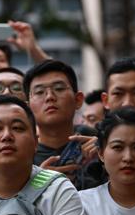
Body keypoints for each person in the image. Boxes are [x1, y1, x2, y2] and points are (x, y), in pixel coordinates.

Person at [24, 59, 100, 190]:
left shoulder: (101, 144)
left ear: (78, 100)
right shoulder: (19, 155)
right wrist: (36, 186)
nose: (49, 97)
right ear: (27, 108)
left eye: (59, 88)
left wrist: (108, 154)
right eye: (39, 92)